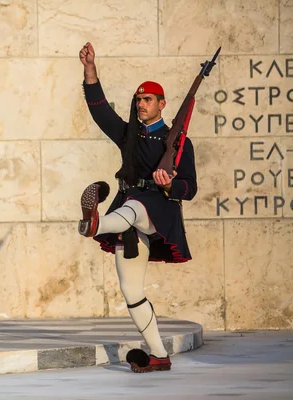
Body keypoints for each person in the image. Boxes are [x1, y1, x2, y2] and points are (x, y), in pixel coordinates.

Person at [77, 42, 198, 373]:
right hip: (127, 214)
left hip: (156, 210)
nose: (141, 104)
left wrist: (170, 184)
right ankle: (159, 355)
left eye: (147, 100)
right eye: (138, 100)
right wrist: (90, 72)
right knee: (131, 290)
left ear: (162, 104)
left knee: (133, 206)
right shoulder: (130, 135)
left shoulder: (179, 143)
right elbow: (101, 112)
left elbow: (190, 188)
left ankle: (94, 224)